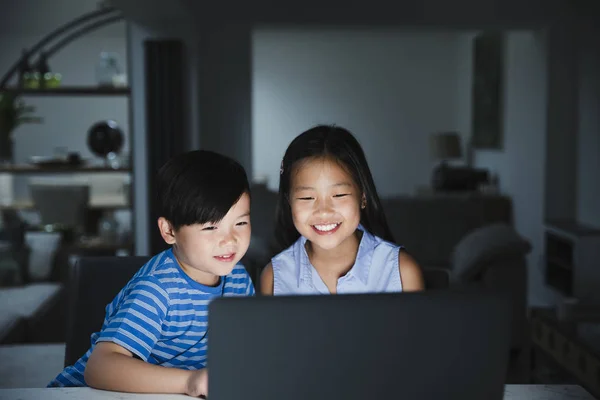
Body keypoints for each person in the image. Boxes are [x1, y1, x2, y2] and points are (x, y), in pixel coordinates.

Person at [48, 150, 255, 398]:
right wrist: (191, 382)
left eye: (240, 223)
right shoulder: (158, 289)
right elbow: (99, 368)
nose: (229, 239)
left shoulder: (239, 279)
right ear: (169, 231)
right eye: (211, 227)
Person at [260, 125, 424, 295]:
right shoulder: (274, 278)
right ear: (289, 202)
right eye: (307, 198)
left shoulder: (402, 272)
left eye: (338, 195)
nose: (323, 212)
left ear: (363, 196)